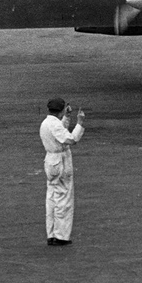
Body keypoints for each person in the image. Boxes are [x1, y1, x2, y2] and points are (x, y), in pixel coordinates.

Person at [39, 96, 84, 246]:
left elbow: (59, 131)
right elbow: (70, 139)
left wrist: (67, 117)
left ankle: (51, 234)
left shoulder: (46, 123)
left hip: (50, 161)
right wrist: (80, 124)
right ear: (60, 110)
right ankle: (61, 236)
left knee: (51, 197)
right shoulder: (55, 125)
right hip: (61, 161)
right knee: (64, 198)